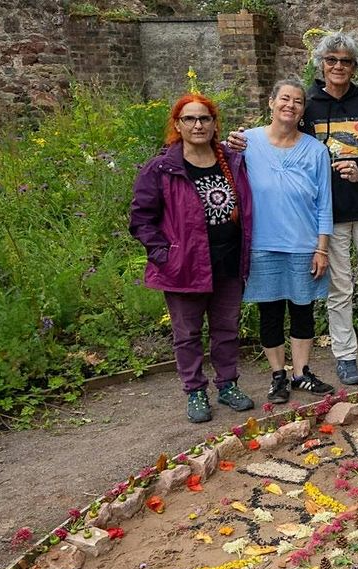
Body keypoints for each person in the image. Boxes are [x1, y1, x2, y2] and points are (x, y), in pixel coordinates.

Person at [231, 34, 358, 383]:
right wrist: (242, 139)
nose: (338, 67)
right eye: (331, 60)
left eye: (345, 61)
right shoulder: (307, 105)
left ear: (354, 67)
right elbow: (279, 136)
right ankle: (345, 356)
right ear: (321, 64)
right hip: (324, 216)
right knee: (339, 288)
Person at [130, 91, 254, 424]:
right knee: (187, 334)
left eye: (204, 118)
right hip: (184, 266)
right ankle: (195, 390)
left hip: (227, 262)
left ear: (215, 124)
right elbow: (141, 217)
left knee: (226, 330)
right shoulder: (162, 167)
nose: (198, 125)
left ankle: (227, 384)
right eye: (190, 119)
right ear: (178, 124)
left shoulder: (231, 160)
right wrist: (162, 255)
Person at [239, 78, 335, 403]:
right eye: (284, 98)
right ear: (271, 102)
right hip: (263, 245)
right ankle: (278, 375)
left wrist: (322, 248)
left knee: (303, 309)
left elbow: (325, 203)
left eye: (297, 101)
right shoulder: (247, 143)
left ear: (303, 109)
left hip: (304, 245)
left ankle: (301, 373)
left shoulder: (316, 150)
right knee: (270, 312)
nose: (290, 105)